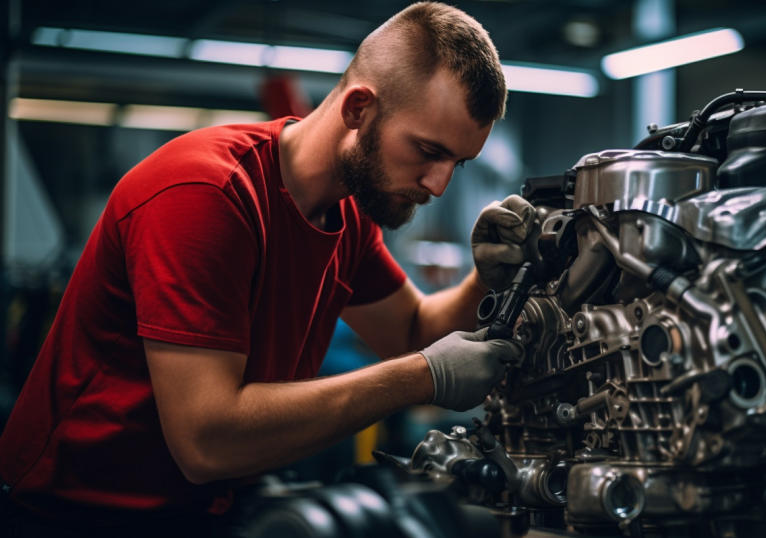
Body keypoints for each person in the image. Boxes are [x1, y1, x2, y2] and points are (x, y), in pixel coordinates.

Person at [0, 2, 539, 535]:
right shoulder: (206, 195)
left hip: (213, 507)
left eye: (456, 163)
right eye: (427, 151)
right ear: (358, 110)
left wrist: (485, 276)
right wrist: (422, 377)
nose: (438, 184)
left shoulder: (347, 214)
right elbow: (206, 440)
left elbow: (412, 332)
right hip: (77, 514)